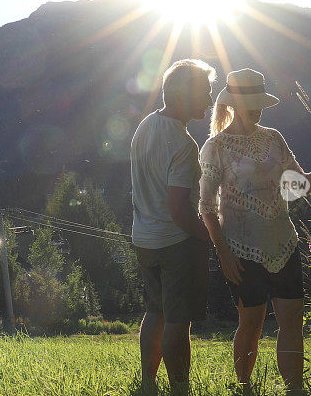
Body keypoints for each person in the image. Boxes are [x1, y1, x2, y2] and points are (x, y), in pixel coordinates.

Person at [198, 68, 311, 394]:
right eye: (251, 102)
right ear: (233, 103)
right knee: (251, 325)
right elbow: (206, 206)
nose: (258, 108)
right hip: (241, 250)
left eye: (260, 101)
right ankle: (244, 387)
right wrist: (222, 252)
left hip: (284, 245)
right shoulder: (215, 147)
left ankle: (295, 390)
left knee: (293, 324)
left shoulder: (274, 137)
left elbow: (299, 187)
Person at [130, 59, 216, 394]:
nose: (208, 102)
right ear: (181, 96)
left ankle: (148, 384)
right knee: (179, 322)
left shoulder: (145, 126)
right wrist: (209, 235)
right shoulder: (183, 144)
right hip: (175, 243)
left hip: (144, 240)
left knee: (156, 311)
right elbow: (180, 210)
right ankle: (180, 387)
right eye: (203, 94)